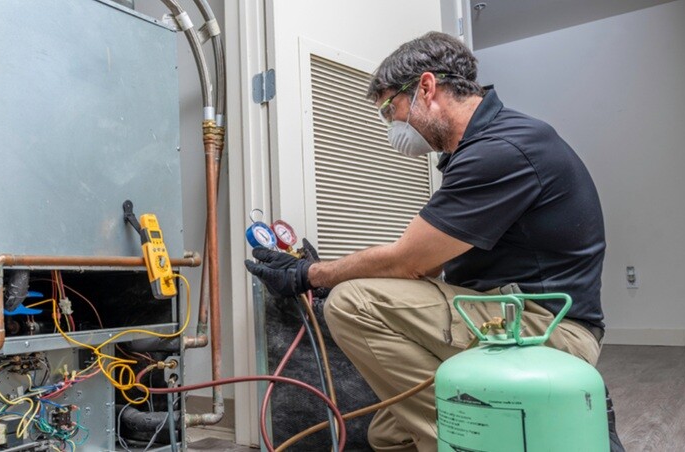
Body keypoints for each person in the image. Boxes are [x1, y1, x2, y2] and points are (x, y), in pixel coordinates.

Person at [245, 31, 622, 452]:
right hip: (504, 315)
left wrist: (308, 275)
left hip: (545, 332)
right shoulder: (478, 148)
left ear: (426, 87)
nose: (391, 125)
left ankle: (477, 441)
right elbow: (427, 264)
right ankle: (494, 428)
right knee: (387, 435)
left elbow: (410, 263)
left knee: (353, 303)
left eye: (391, 108)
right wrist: (329, 271)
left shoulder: (502, 149)